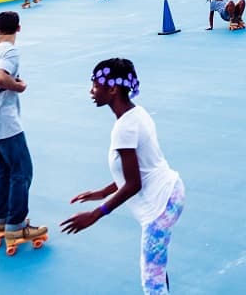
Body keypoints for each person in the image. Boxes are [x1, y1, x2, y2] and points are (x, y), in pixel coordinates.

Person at [61, 59, 185, 295]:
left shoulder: (124, 128)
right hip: (171, 192)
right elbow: (137, 170)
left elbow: (134, 184)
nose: (91, 91)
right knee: (156, 267)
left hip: (159, 206)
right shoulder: (137, 114)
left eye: (95, 85)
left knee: (152, 283)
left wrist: (96, 214)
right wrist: (102, 192)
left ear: (112, 88)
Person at [0, 11, 47, 251]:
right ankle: (16, 225)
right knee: (22, 171)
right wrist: (19, 86)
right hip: (5, 123)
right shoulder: (10, 51)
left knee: (4, 171)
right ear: (19, 28)